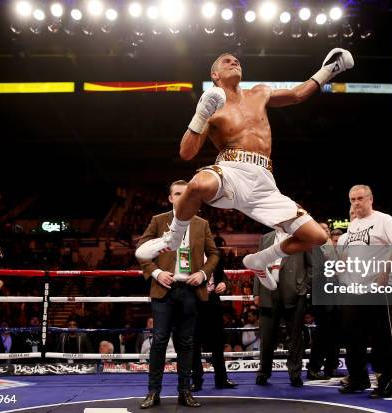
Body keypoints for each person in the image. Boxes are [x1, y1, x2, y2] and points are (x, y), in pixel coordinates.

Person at [135, 49, 354, 290]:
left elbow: (296, 94)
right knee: (197, 184)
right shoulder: (211, 106)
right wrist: (201, 115)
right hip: (230, 171)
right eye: (227, 61)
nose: (234, 62)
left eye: (236, 60)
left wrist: (329, 70)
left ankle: (261, 259)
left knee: (317, 237)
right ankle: (173, 237)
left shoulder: (259, 92)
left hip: (265, 182)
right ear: (215, 75)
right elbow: (186, 153)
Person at [135, 180, 219, 409]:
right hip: (164, 289)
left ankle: (185, 392)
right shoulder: (158, 220)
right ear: (171, 198)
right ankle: (153, 392)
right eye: (178, 194)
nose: (182, 198)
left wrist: (203, 274)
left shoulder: (201, 224)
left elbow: (214, 255)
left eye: (186, 194)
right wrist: (157, 272)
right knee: (159, 341)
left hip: (190, 290)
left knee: (186, 343)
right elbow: (141, 251)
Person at [337, 185, 392, 399]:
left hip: (379, 288)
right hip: (355, 289)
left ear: (370, 199)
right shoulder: (353, 226)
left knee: (383, 338)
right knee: (353, 337)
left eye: (360, 198)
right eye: (352, 199)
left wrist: (386, 269)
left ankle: (386, 382)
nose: (356, 203)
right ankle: (358, 379)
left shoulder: (383, 219)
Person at [253, 228, 315, 387]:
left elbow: (312, 266)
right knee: (266, 337)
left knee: (295, 337)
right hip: (268, 291)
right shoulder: (265, 238)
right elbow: (257, 264)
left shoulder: (301, 237)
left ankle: (295, 374)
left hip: (294, 293)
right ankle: (263, 373)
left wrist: (303, 285)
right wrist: (256, 292)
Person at [190, 247, 237, 392]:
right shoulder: (188, 252)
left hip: (213, 302)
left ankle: (221, 379)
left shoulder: (215, 254)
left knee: (217, 342)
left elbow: (222, 276)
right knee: (195, 343)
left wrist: (224, 283)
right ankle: (196, 381)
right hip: (194, 302)